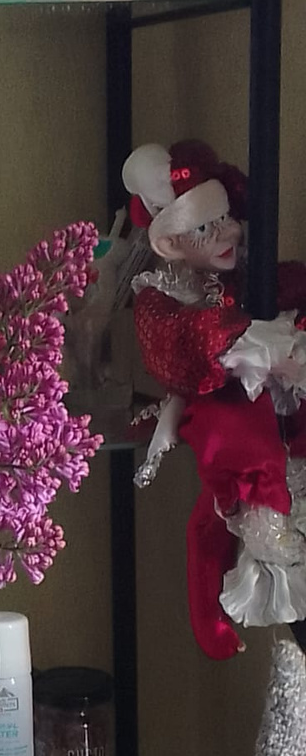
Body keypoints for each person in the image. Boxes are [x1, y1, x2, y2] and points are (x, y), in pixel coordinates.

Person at [124, 140, 306, 660]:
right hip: (218, 401)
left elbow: (288, 285)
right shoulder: (161, 294)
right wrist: (241, 338)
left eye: (225, 220)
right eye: (206, 228)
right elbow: (172, 346)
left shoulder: (241, 273)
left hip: (275, 402)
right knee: (241, 472)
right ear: (172, 243)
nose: (225, 234)